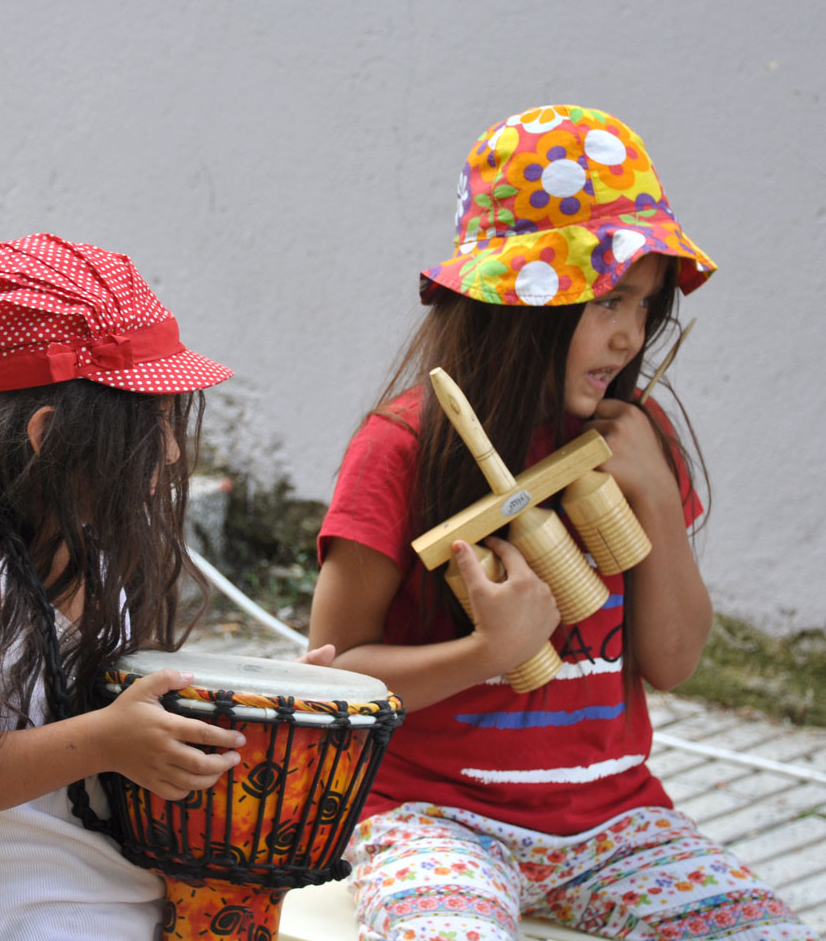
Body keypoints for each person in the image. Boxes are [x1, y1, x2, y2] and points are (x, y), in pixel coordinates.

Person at [309, 106, 815, 940]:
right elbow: (335, 680)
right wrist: (486, 654)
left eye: (643, 306)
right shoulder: (401, 448)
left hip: (616, 825)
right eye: (607, 299)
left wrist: (651, 493)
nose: (627, 335)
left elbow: (674, 660)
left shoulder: (632, 437)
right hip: (434, 819)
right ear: (520, 303)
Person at [0, 233, 331, 940]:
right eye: (149, 426)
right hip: (20, 921)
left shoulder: (91, 546)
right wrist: (106, 741)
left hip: (127, 901)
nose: (169, 450)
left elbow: (114, 710)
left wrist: (261, 699)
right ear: (47, 436)